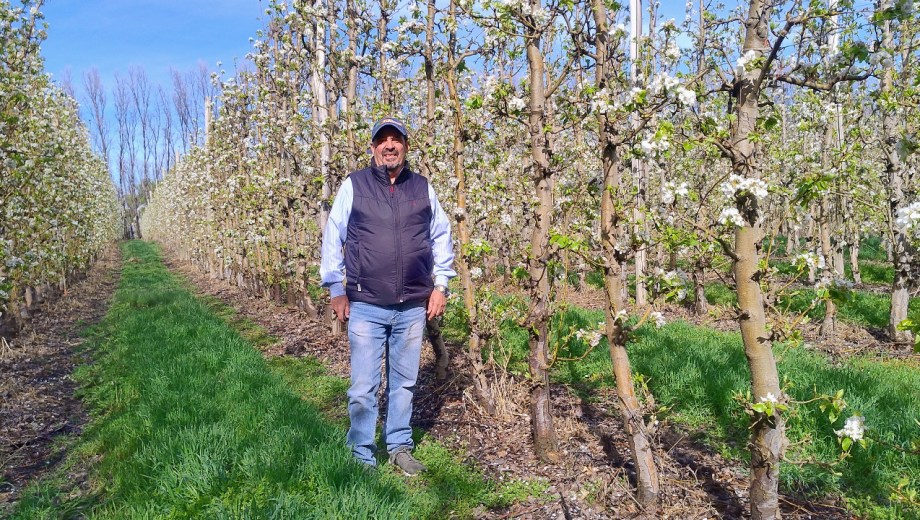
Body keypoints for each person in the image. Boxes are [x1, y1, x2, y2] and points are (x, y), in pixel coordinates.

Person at [319, 116, 456, 475]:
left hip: (411, 305)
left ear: (406, 146)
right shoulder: (355, 185)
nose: (390, 145)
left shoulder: (421, 188)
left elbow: (441, 235)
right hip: (366, 303)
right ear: (373, 147)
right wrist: (336, 288)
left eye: (396, 139)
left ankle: (398, 446)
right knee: (364, 386)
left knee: (404, 383)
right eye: (383, 140)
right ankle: (361, 454)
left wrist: (440, 285)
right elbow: (333, 235)